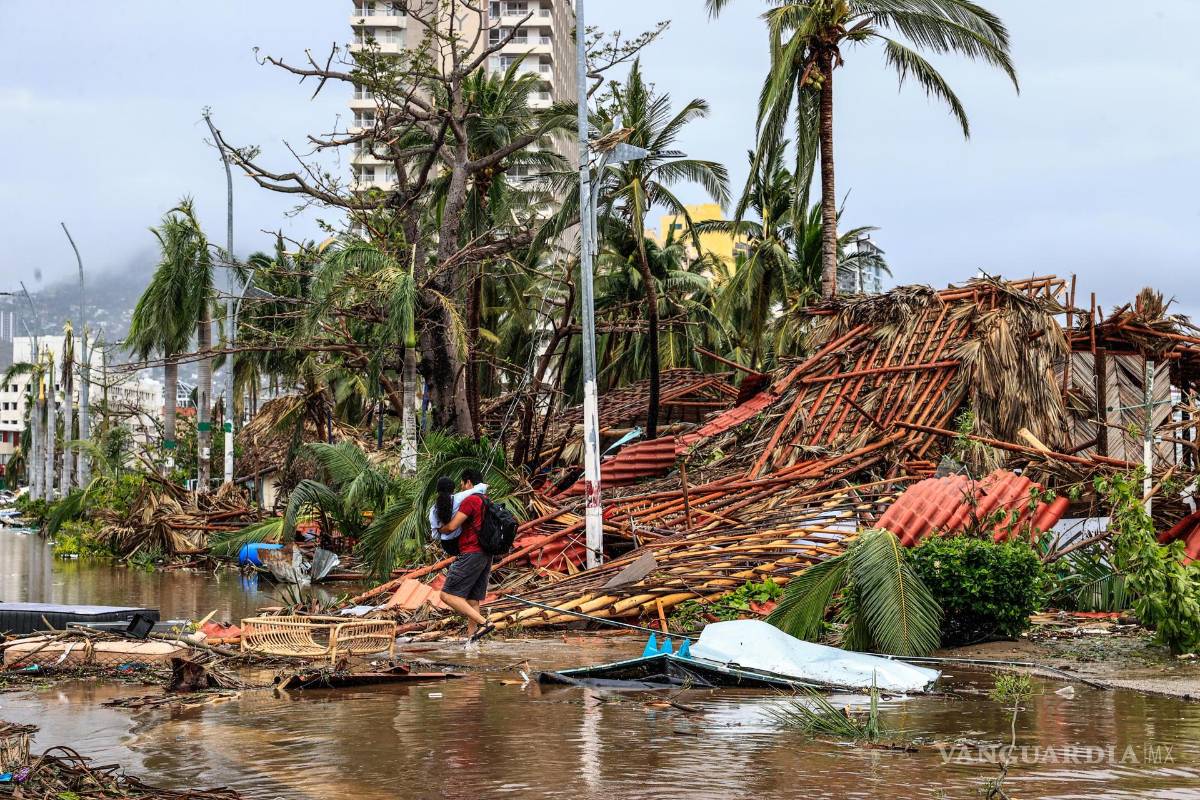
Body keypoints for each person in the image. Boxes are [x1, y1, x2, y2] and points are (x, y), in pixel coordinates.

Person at [436, 468, 496, 642]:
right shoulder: (486, 500)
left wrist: (439, 530)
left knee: (446, 595)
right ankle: (472, 642)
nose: (461, 487)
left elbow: (452, 526)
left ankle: (484, 622)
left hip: (471, 553)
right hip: (485, 554)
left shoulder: (470, 500)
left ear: (468, 482)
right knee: (472, 599)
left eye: (462, 483)